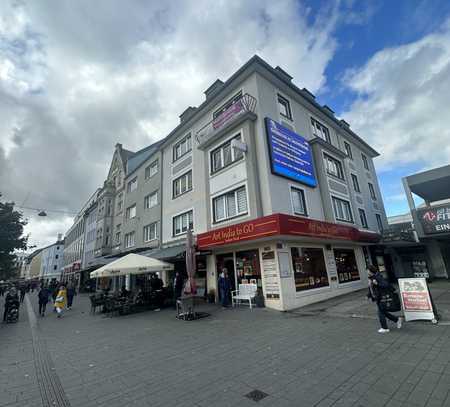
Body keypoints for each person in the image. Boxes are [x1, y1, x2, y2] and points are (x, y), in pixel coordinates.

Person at [367, 265, 403, 333]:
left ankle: (385, 328)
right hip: (378, 297)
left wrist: (377, 283)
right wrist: (368, 295)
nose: (367, 272)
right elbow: (371, 288)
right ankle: (397, 320)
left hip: (382, 297)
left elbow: (385, 285)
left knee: (380, 312)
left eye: (368, 271)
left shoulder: (378, 276)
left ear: (371, 271)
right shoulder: (371, 278)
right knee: (382, 312)